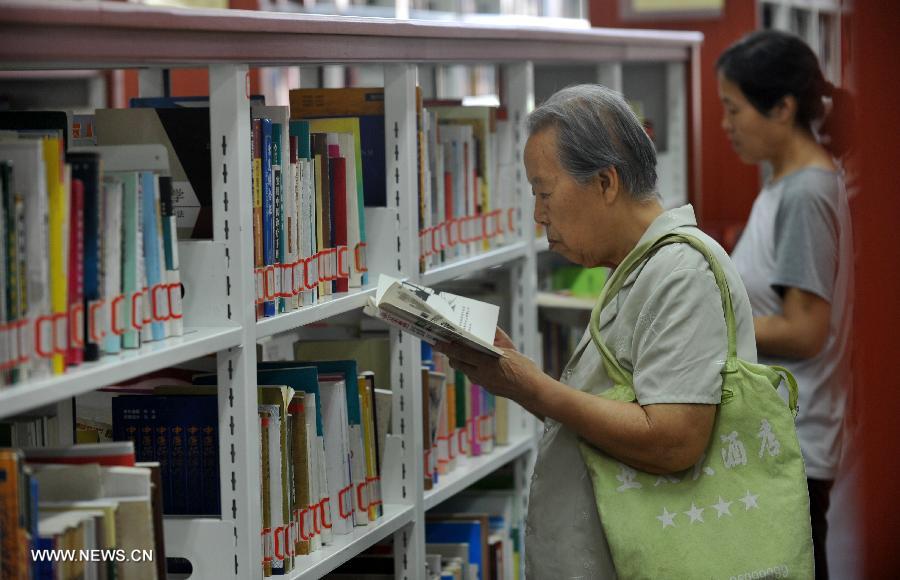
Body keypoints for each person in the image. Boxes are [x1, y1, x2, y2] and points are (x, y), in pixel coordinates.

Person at [435, 84, 758, 579]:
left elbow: (673, 440)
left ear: (606, 183)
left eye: (545, 192)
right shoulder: (636, 269)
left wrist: (533, 386)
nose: (538, 214)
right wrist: (518, 380)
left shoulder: (681, 272)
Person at [717, 30, 854, 580]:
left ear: (782, 107)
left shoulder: (804, 194)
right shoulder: (786, 185)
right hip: (779, 440)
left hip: (794, 447)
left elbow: (804, 330)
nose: (725, 125)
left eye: (734, 109)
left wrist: (713, 322)